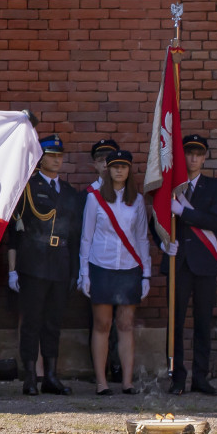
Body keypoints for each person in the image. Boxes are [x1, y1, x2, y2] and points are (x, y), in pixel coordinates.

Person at [8, 134, 81, 396]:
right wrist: (13, 269)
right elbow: (15, 232)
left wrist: (75, 270)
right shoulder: (28, 188)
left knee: (53, 322)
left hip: (60, 263)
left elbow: (75, 236)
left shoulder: (70, 193)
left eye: (60, 156)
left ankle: (51, 375)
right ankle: (30, 376)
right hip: (33, 262)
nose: (57, 160)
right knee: (32, 322)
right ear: (41, 159)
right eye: (52, 155)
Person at [155, 135, 217, 395]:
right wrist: (162, 243)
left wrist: (183, 211)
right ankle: (177, 377)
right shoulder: (171, 186)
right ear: (181, 157)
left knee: (203, 321)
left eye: (199, 153)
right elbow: (157, 220)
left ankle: (201, 378)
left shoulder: (214, 188)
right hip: (179, 262)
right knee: (176, 322)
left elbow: (216, 222)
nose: (193, 158)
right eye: (189, 153)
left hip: (204, 262)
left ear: (205, 157)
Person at [79, 150, 150, 395]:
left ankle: (127, 382)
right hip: (101, 266)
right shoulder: (95, 198)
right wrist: (85, 273)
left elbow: (141, 238)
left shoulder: (137, 200)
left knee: (126, 324)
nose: (119, 170)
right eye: (115, 166)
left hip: (129, 268)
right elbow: (86, 238)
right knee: (102, 324)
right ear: (107, 170)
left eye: (124, 166)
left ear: (129, 170)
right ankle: (102, 382)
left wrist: (146, 273)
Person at [85, 139, 122, 383]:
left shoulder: (126, 193)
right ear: (95, 164)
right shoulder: (89, 194)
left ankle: (118, 365)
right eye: (101, 159)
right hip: (97, 264)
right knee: (98, 321)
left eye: (110, 159)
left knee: (121, 320)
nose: (105, 164)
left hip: (122, 264)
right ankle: (99, 369)